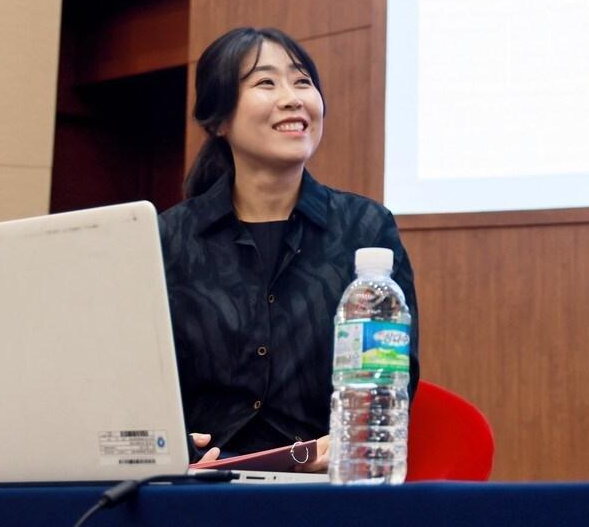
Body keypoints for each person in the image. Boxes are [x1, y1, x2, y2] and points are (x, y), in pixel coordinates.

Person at [161, 27, 421, 467]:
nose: (292, 98)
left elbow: (391, 372)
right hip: (200, 482)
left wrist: (350, 441)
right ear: (219, 121)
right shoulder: (171, 237)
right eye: (266, 82)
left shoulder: (364, 228)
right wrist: (172, 444)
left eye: (302, 81)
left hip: (324, 484)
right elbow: (138, 378)